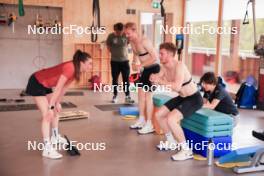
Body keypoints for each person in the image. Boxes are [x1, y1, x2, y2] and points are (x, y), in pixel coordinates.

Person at [25, 50, 92, 159]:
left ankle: (55, 137)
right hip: (37, 81)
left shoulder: (76, 73)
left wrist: (57, 103)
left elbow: (64, 89)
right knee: (47, 114)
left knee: (56, 110)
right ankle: (46, 149)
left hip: (46, 84)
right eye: (89, 63)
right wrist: (51, 106)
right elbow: (58, 88)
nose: (90, 66)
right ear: (81, 63)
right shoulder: (70, 68)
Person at [150, 42, 203, 161]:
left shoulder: (179, 66)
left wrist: (160, 80)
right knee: (159, 115)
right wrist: (154, 79)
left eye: (162, 53)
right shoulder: (164, 67)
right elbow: (159, 78)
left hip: (194, 98)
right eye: (160, 53)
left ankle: (186, 150)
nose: (159, 55)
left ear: (169, 54)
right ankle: (171, 142)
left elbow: (177, 86)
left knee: (171, 119)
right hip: (182, 97)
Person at [124, 22, 160, 134]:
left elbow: (155, 57)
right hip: (145, 70)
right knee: (140, 96)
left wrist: (140, 65)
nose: (127, 36)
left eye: (128, 33)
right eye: (126, 34)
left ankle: (149, 124)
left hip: (153, 69)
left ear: (134, 31)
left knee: (148, 97)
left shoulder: (144, 41)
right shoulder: (132, 42)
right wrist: (134, 62)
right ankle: (141, 119)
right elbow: (136, 54)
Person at [106, 22, 134, 104]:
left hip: (125, 61)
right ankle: (115, 96)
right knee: (115, 80)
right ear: (115, 30)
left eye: (121, 31)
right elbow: (108, 45)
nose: (119, 33)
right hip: (114, 62)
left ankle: (127, 96)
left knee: (126, 80)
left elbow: (129, 42)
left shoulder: (125, 35)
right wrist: (112, 52)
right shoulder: (111, 36)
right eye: (117, 31)